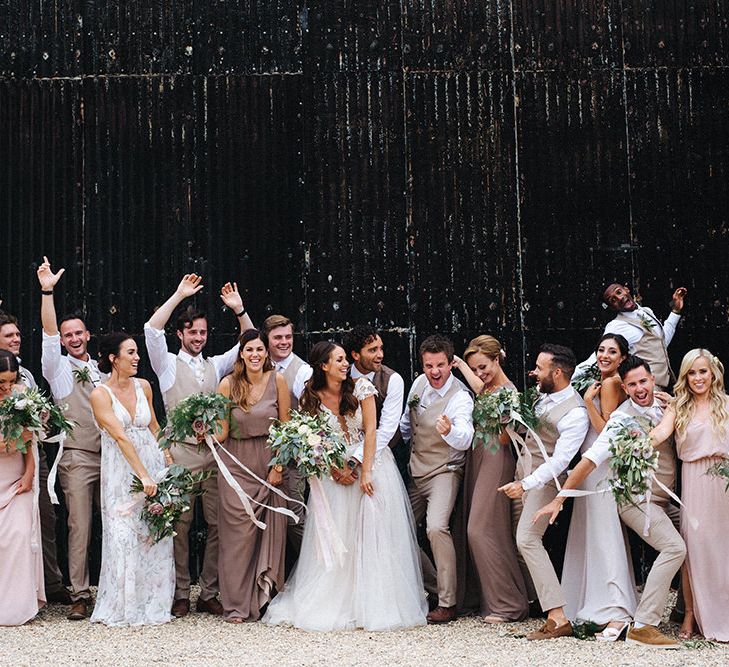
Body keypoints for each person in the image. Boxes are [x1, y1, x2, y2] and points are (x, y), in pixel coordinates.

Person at [264, 341, 427, 631]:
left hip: (370, 466)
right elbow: (311, 440)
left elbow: (372, 431)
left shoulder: (362, 388)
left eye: (344, 359)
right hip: (333, 475)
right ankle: (339, 598)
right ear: (323, 366)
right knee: (341, 534)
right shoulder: (311, 398)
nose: (344, 364)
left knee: (371, 536)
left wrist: (361, 470)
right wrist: (334, 468)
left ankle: (373, 602)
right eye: (338, 360)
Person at [534, 356, 684, 649]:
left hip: (667, 499)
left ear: (653, 379)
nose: (639, 388)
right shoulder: (620, 420)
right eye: (632, 384)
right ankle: (644, 625)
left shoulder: (664, 404)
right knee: (674, 547)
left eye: (643, 381)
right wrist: (560, 498)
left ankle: (688, 612)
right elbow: (589, 461)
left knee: (700, 537)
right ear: (624, 389)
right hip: (639, 501)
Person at [144, 273, 251, 618]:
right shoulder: (168, 366)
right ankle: (178, 592)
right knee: (181, 527)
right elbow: (150, 330)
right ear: (181, 334)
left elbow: (249, 341)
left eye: (203, 332)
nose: (199, 338)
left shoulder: (215, 365)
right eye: (192, 332)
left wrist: (239, 310)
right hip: (181, 455)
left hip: (215, 456)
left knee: (219, 525)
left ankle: (208, 591)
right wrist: (178, 295)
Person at [498, 344, 589, 640]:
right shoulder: (543, 395)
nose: (533, 372)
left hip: (544, 481)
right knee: (518, 538)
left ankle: (558, 615)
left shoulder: (575, 414)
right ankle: (535, 602)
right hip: (524, 471)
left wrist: (526, 484)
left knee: (527, 538)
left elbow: (560, 461)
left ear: (558, 372)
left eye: (540, 368)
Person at [37, 257, 107, 620]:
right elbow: (48, 336)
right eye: (69, 335)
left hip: (111, 457)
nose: (74, 338)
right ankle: (79, 593)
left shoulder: (102, 369)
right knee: (79, 525)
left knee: (115, 523)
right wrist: (47, 291)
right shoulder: (59, 369)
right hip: (77, 456)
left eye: (79, 333)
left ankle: (111, 590)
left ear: (88, 335)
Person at [89, 332, 175, 626]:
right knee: (123, 535)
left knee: (152, 533)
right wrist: (143, 475)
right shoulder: (100, 394)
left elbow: (153, 424)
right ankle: (124, 606)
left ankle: (153, 603)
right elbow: (120, 436)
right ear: (113, 359)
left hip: (150, 462)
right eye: (130, 353)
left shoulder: (144, 386)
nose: (137, 357)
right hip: (122, 472)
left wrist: (167, 459)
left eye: (137, 352)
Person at [649, 349, 729, 641]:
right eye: (692, 373)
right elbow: (659, 434)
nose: (698, 378)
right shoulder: (678, 407)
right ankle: (691, 615)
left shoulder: (727, 405)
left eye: (703, 371)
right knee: (694, 549)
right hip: (695, 481)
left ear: (713, 373)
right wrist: (639, 441)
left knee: (724, 548)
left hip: (724, 482)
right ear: (684, 376)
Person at [561, 334, 638, 638]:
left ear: (622, 358)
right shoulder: (604, 379)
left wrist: (586, 403)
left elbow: (605, 429)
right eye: (601, 350)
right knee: (592, 532)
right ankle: (589, 598)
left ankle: (615, 608)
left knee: (603, 533)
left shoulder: (609, 384)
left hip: (599, 465)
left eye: (612, 351)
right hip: (593, 466)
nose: (605, 355)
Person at [215, 329, 291, 622]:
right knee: (238, 534)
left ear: (266, 353)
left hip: (269, 461)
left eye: (260, 350)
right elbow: (221, 431)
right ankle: (235, 604)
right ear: (241, 354)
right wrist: (202, 432)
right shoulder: (227, 385)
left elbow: (286, 427)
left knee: (270, 531)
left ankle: (262, 599)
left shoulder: (278, 381)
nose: (255, 355)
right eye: (249, 350)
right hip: (236, 463)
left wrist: (279, 466)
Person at [453, 335, 528, 623]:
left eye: (483, 367)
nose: (480, 373)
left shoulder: (509, 393)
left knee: (481, 529)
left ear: (498, 360)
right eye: (476, 368)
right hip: (479, 456)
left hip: (496, 457)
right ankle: (487, 597)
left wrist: (499, 421)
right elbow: (479, 387)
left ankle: (509, 604)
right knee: (482, 527)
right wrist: (460, 365)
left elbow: (506, 437)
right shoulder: (488, 386)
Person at [400, 334, 474, 624]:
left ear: (450, 364)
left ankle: (448, 602)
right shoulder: (418, 385)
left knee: (435, 527)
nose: (435, 372)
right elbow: (407, 425)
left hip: (445, 470)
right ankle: (433, 585)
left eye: (440, 365)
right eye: (429, 365)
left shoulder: (459, 397)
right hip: (415, 469)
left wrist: (449, 432)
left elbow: (465, 438)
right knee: (398, 527)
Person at [0, 310, 70, 604]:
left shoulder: (24, 378)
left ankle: (45, 585)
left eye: (17, 334)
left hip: (26, 460)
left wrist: (38, 424)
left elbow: (31, 428)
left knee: (39, 519)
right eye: (9, 335)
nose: (16, 339)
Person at [260, 314, 312, 557]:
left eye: (288, 337)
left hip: (290, 459)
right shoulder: (257, 363)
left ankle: (313, 573)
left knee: (294, 517)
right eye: (277, 337)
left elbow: (310, 415)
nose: (284, 342)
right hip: (258, 453)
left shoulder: (301, 371)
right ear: (267, 340)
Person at [0, 350, 45, 625]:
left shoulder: (20, 397)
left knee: (17, 536)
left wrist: (30, 472)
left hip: (17, 476)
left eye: (11, 380)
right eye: (0, 383)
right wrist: (10, 444)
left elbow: (30, 440)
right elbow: (19, 440)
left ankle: (15, 605)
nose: (6, 388)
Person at [576, 283, 687, 390]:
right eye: (613, 300)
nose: (619, 298)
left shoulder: (646, 311)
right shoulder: (617, 326)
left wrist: (676, 311)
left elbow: (661, 342)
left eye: (619, 292)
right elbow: (596, 359)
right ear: (612, 307)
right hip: (648, 390)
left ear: (626, 289)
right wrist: (567, 376)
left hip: (669, 384)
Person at [341, 325, 405, 472]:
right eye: (373, 350)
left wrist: (357, 458)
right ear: (356, 355)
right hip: (344, 456)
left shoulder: (392, 380)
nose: (380, 354)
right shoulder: (342, 376)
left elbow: (387, 429)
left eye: (381, 348)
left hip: (381, 457)